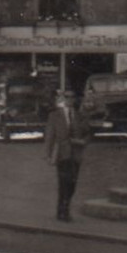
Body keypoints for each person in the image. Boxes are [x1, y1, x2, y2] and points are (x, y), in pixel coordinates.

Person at [44, 89, 93, 222]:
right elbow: (49, 136)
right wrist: (48, 155)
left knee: (72, 183)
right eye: (67, 97)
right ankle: (63, 210)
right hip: (62, 153)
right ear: (63, 99)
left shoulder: (79, 115)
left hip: (76, 154)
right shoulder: (55, 116)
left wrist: (83, 142)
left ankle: (65, 206)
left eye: (72, 97)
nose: (70, 100)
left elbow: (88, 133)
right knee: (63, 182)